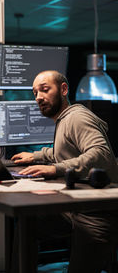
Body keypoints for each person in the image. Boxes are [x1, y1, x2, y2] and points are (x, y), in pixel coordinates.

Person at [11, 70, 118, 273]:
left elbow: (101, 153)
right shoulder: (64, 119)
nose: (39, 97)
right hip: (76, 208)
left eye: (44, 90)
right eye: (35, 93)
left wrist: (55, 169)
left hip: (98, 213)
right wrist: (37, 156)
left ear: (63, 89)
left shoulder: (76, 118)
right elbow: (66, 150)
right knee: (28, 223)